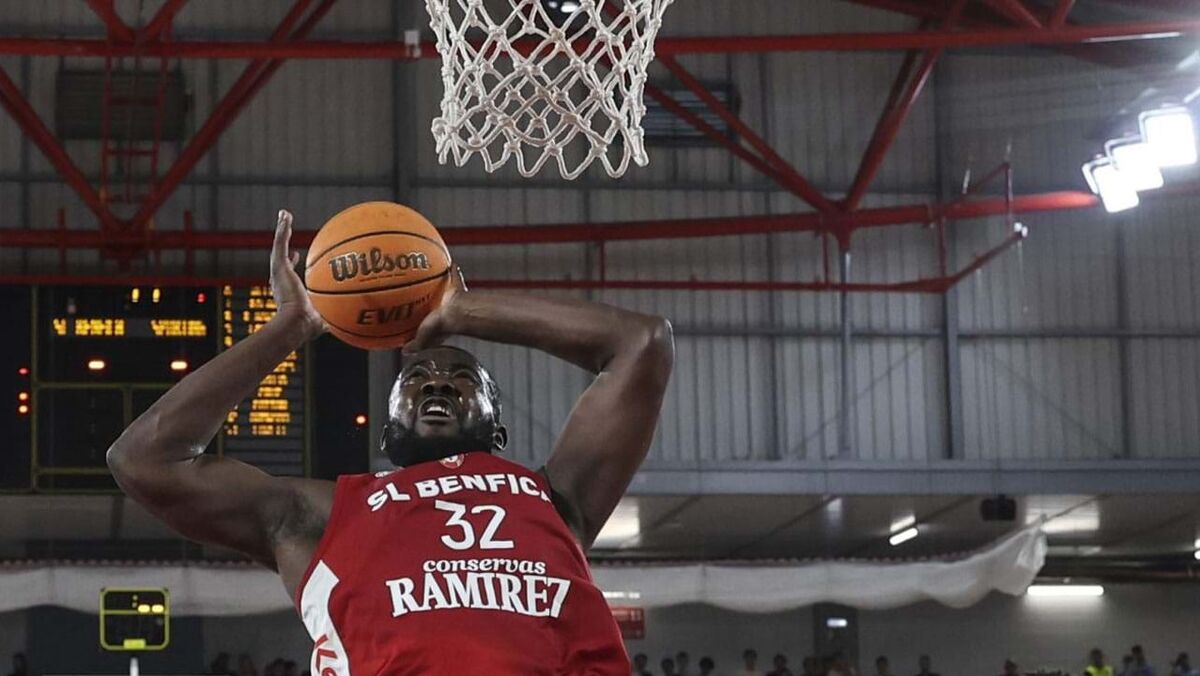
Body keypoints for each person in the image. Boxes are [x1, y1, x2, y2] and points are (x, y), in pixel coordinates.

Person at [106, 210, 675, 674]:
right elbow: (144, 460)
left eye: (462, 379)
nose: (437, 383)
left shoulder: (556, 497)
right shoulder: (322, 514)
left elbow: (641, 344)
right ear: (387, 433)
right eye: (417, 381)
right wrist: (291, 327)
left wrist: (463, 310)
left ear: (498, 431)